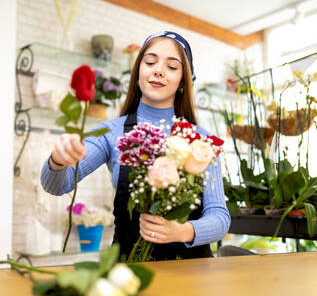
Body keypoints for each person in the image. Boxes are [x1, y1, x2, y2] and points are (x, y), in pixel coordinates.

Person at [41, 31, 230, 260]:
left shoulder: (202, 140)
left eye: (172, 66)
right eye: (150, 62)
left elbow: (220, 217)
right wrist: (59, 160)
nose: (158, 70)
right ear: (138, 72)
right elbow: (56, 186)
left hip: (193, 273)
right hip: (129, 269)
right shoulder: (111, 133)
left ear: (183, 81)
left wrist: (182, 231)